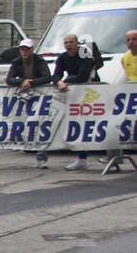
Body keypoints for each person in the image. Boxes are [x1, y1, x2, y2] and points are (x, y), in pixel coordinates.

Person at [6, 39, 53, 168]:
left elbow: (47, 77)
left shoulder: (39, 61)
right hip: (23, 96)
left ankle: (41, 156)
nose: (24, 52)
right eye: (22, 49)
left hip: (39, 96)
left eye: (27, 49)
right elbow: (9, 79)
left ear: (32, 49)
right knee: (22, 122)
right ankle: (25, 146)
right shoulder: (16, 62)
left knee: (40, 124)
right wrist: (22, 82)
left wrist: (31, 83)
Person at [53, 33, 96, 171]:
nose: (68, 45)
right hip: (75, 94)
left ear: (77, 43)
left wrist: (65, 81)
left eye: (71, 42)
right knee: (76, 123)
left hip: (92, 92)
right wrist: (59, 81)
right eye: (66, 43)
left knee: (94, 123)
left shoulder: (85, 53)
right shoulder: (62, 57)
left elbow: (83, 75)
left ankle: (112, 154)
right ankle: (82, 158)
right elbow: (55, 74)